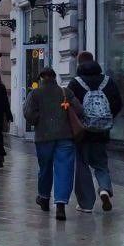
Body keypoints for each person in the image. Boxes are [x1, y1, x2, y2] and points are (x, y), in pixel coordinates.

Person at [23, 67, 81, 221]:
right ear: (55, 78)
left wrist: (39, 119)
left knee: (45, 168)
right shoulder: (65, 92)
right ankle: (60, 205)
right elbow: (80, 110)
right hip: (65, 137)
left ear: (41, 78)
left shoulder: (35, 94)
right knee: (64, 169)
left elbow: (28, 114)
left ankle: (44, 197)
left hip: (43, 137)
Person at [68, 51, 122, 212]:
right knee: (101, 164)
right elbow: (117, 103)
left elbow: (68, 106)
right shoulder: (108, 81)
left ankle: (86, 204)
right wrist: (106, 118)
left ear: (79, 64)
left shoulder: (75, 83)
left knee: (82, 166)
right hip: (101, 132)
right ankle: (104, 189)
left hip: (82, 133)